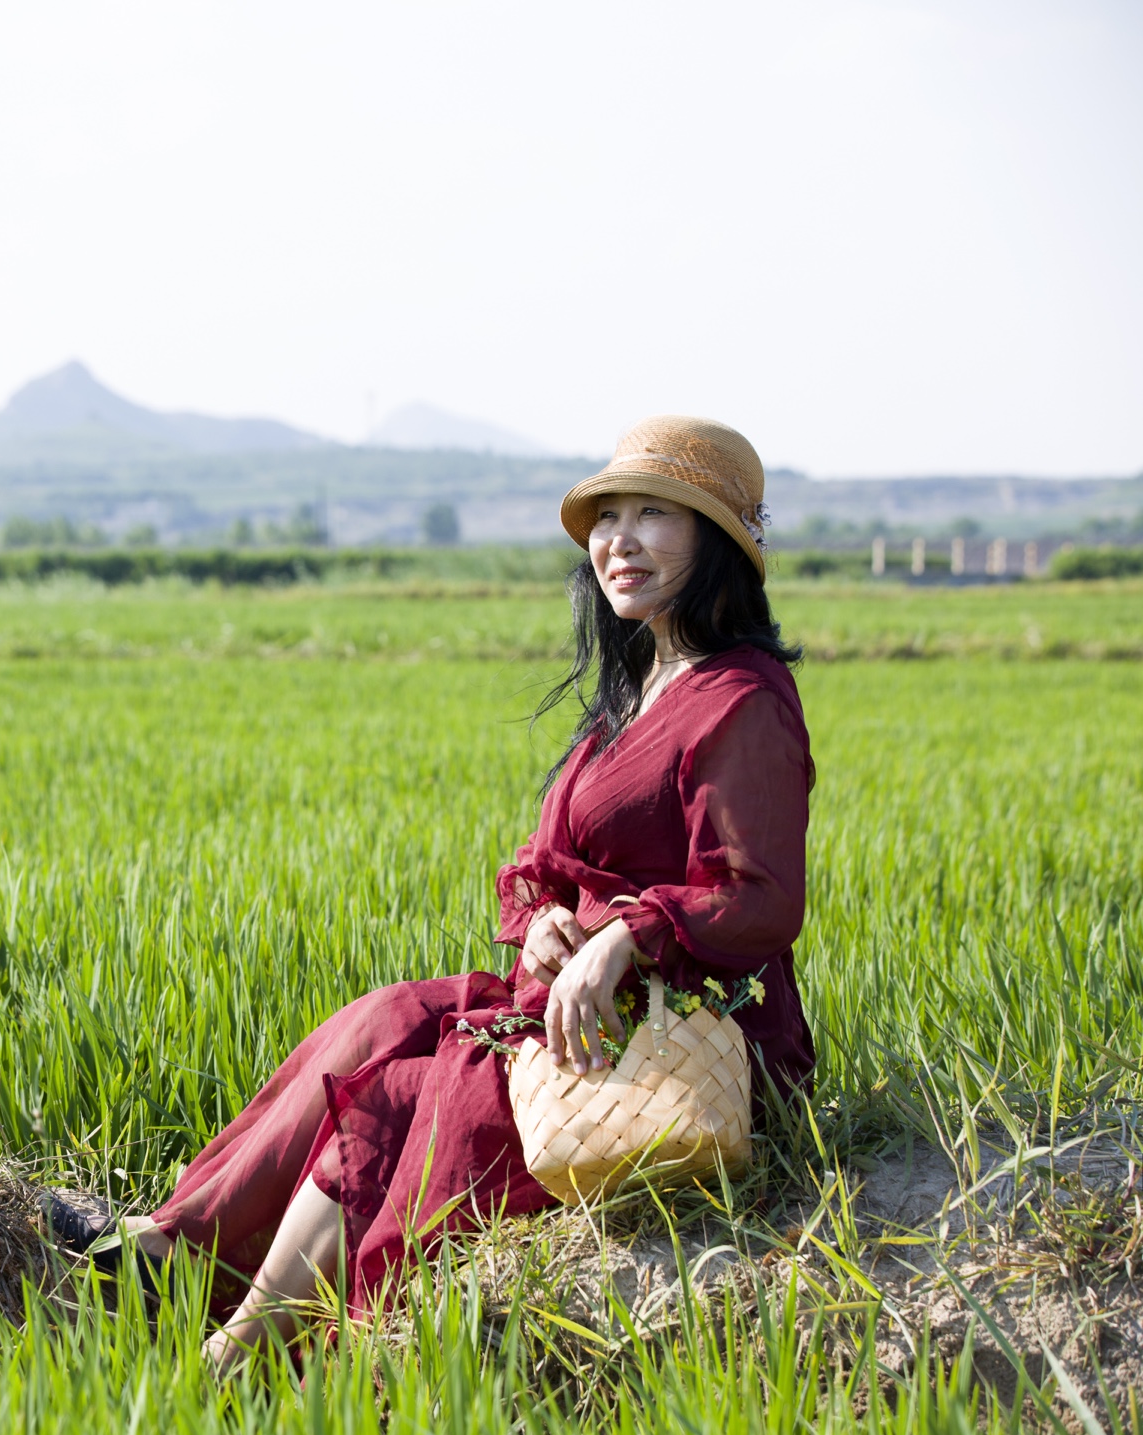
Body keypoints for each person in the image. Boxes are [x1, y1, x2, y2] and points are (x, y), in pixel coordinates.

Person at [45, 416, 816, 1372]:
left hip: (694, 1029)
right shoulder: (640, 687)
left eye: (655, 514)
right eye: (607, 515)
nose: (618, 539)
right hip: (586, 1005)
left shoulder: (740, 700)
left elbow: (759, 897)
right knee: (386, 1019)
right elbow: (541, 860)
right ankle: (171, 1247)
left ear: (719, 542)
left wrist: (626, 936)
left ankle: (248, 1347)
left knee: (425, 1084)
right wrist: (538, 923)